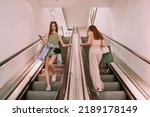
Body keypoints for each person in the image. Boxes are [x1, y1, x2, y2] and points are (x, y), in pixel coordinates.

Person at [43, 21, 70, 91]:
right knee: (46, 68)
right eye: (52, 26)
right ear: (50, 27)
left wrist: (68, 45)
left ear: (56, 27)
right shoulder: (48, 33)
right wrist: (44, 41)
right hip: (48, 50)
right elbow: (45, 42)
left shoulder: (58, 35)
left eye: (54, 26)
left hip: (55, 50)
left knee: (50, 63)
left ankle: (54, 74)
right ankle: (48, 85)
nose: (53, 27)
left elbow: (63, 44)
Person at [80, 25, 105, 91]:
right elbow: (103, 45)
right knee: (96, 67)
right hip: (99, 51)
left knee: (94, 68)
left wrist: (82, 44)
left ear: (90, 29)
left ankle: (98, 86)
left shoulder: (91, 33)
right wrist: (97, 44)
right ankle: (97, 84)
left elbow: (89, 43)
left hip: (93, 50)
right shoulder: (100, 34)